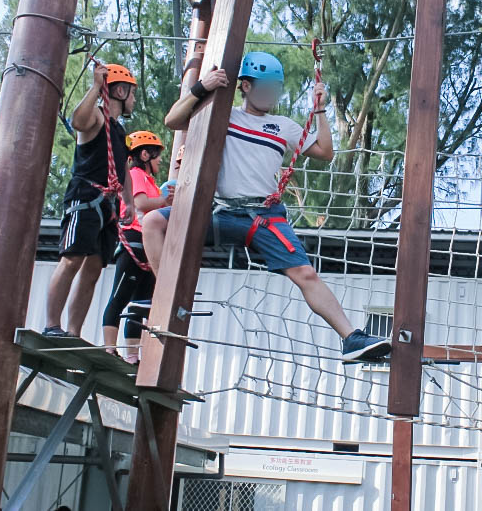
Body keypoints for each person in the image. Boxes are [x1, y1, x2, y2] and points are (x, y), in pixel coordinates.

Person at [142, 52, 391, 362]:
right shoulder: (222, 114)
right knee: (153, 222)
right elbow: (173, 120)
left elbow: (325, 152)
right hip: (219, 211)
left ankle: (351, 338)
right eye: (266, 87)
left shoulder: (282, 126)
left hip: (262, 216)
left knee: (305, 273)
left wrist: (321, 107)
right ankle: (164, 294)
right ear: (245, 86)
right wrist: (203, 86)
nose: (272, 94)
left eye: (276, 88)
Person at [44, 63, 136, 338]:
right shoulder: (96, 118)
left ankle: (74, 331)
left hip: (108, 203)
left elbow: (125, 171)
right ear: (120, 90)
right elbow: (77, 122)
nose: (133, 100)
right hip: (86, 196)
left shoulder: (119, 132)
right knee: (72, 259)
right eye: (131, 94)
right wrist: (96, 87)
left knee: (93, 268)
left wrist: (127, 201)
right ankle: (52, 325)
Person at [101, 131, 173, 363]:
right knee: (120, 297)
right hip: (135, 239)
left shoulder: (149, 181)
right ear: (144, 154)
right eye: (157, 155)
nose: (160, 160)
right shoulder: (135, 174)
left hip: (147, 243)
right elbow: (141, 204)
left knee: (141, 304)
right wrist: (165, 201)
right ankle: (110, 348)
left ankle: (133, 355)